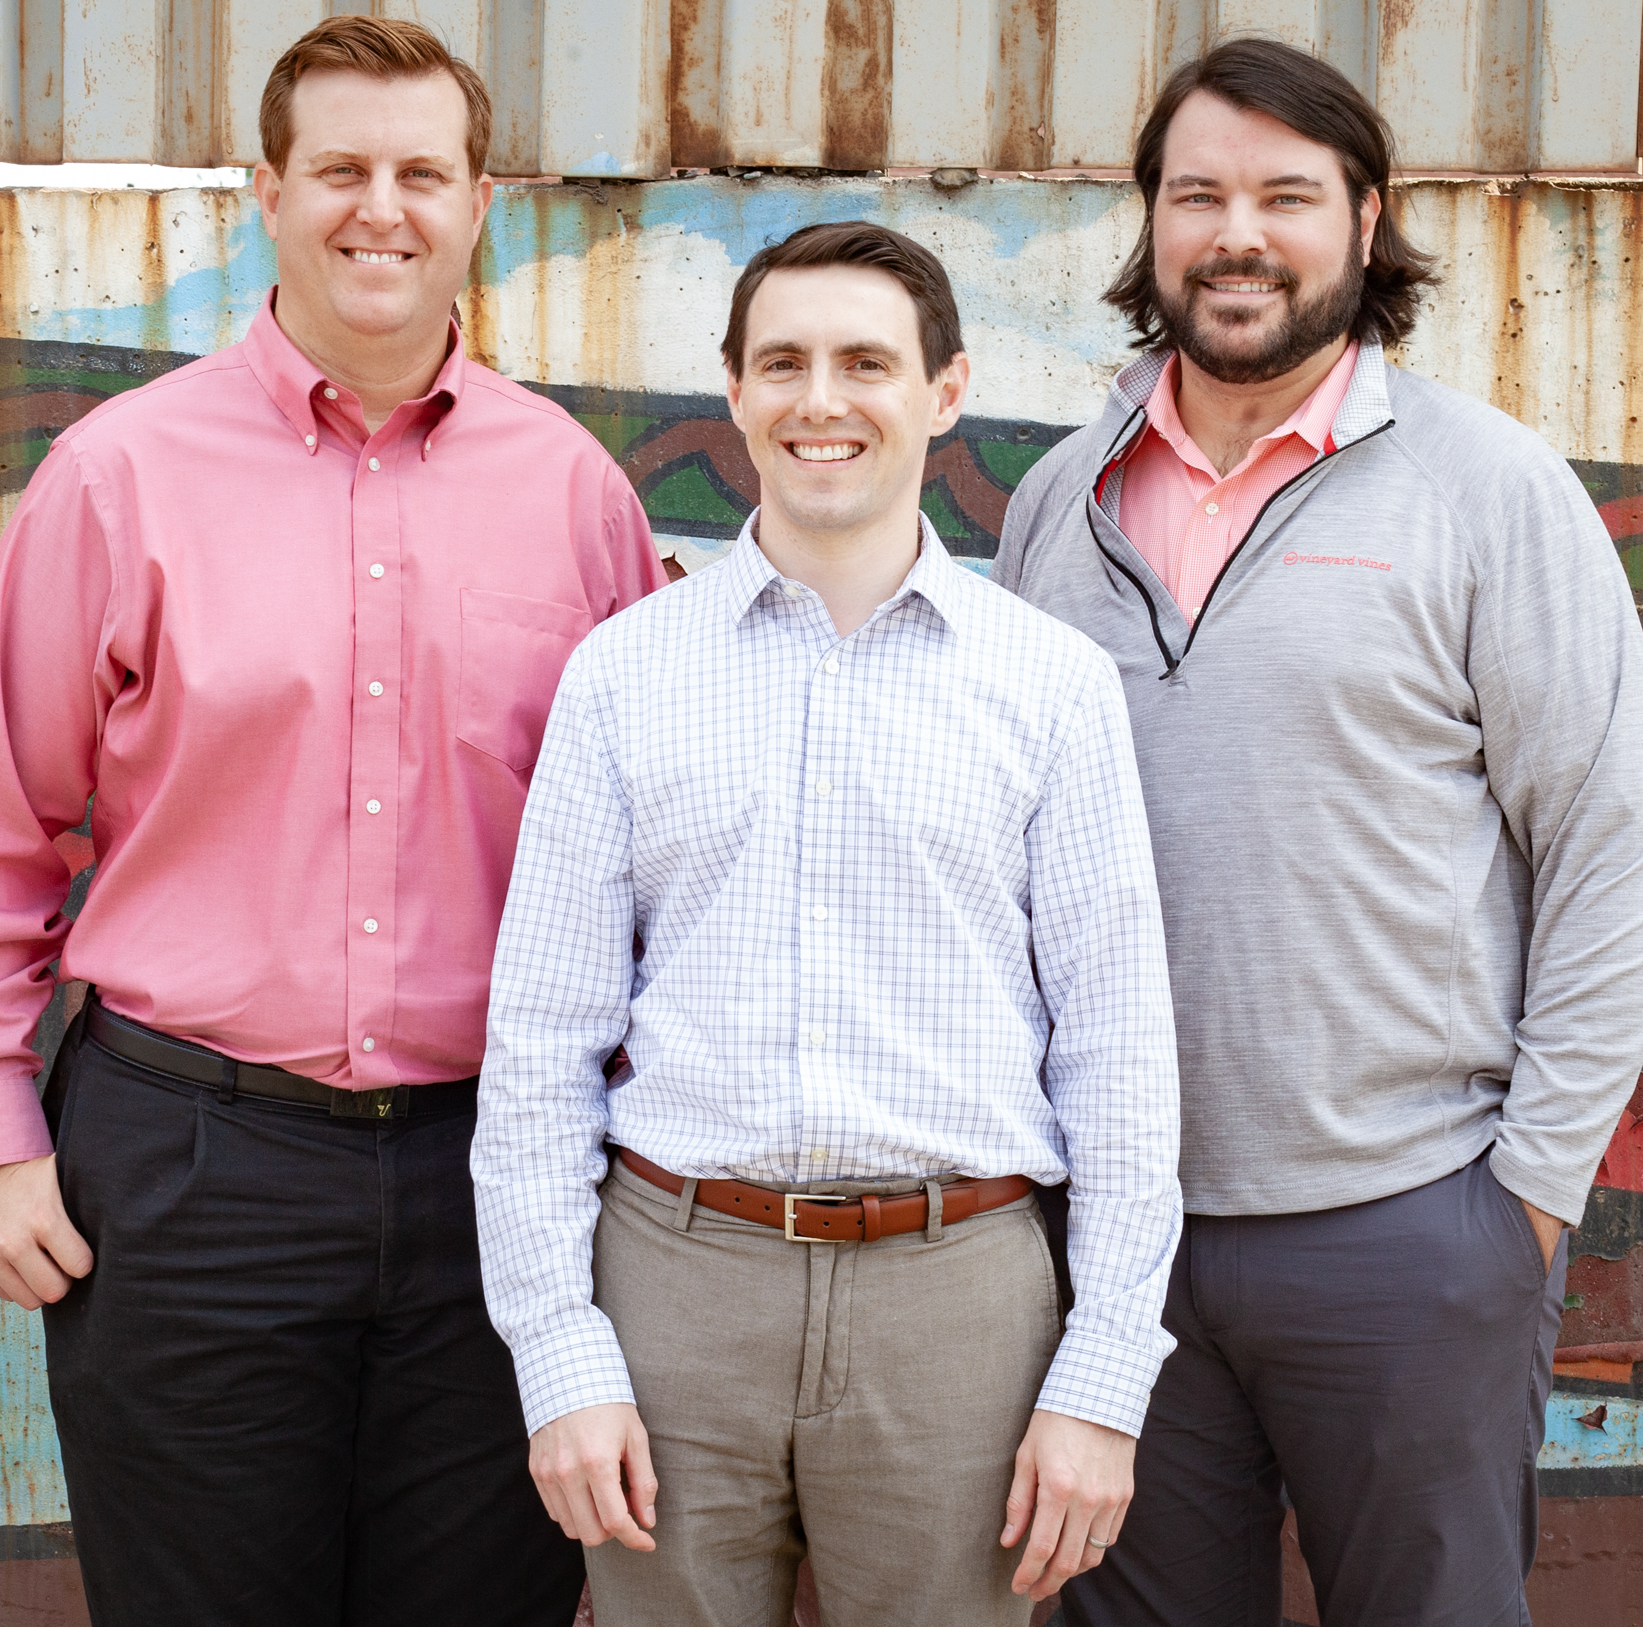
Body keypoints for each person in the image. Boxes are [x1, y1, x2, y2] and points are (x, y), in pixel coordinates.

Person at [0, 15, 666, 1627]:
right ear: (267, 190)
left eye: (419, 173)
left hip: (498, 1181)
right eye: (339, 170)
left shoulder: (576, 493)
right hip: (187, 1171)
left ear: (478, 201)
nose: (378, 209)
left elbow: (648, 850)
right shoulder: (122, 477)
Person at [994, 39, 1643, 1626]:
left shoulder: (1487, 490)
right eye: (1199, 195)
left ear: (1365, 223)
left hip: (1412, 1230)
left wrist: (1525, 1201)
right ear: (1151, 227)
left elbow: (1615, 849)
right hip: (1118, 1251)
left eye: (1287, 196)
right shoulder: (1058, 504)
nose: (1240, 234)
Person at [471, 221, 1185, 1627]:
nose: (823, 400)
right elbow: (542, 1043)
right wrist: (560, 1354)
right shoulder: (623, 677)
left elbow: (1117, 1052)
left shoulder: (1049, 687)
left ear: (946, 390)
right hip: (676, 1282)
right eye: (783, 363)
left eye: (868, 362)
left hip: (962, 1299)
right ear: (733, 392)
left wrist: (1103, 1376)